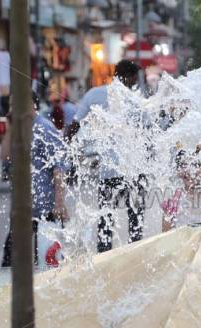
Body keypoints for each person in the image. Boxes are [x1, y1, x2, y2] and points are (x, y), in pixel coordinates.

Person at [67, 60, 145, 252]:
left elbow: (74, 126)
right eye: (135, 78)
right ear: (131, 78)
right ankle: (135, 256)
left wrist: (68, 151)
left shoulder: (94, 94)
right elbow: (148, 132)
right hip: (133, 170)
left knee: (105, 218)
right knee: (135, 219)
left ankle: (104, 256)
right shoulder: (136, 100)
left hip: (107, 171)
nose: (136, 82)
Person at [1, 94, 69, 268]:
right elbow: (4, 156)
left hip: (44, 206)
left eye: (14, 105)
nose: (11, 110)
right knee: (11, 260)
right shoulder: (18, 130)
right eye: (10, 106)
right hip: (23, 207)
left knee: (45, 260)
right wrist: (10, 127)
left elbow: (59, 166)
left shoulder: (44, 128)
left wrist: (59, 202)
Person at [161, 146, 201, 232]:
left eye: (195, 165)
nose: (189, 171)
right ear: (178, 171)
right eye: (184, 165)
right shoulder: (172, 200)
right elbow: (165, 236)